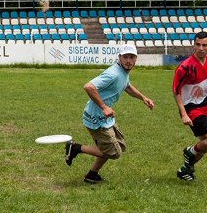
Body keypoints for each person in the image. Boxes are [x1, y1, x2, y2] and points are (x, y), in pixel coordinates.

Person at [64, 44, 155, 183]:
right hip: (96, 117)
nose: (128, 60)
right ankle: (75, 148)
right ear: (119, 57)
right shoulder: (113, 73)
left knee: (118, 145)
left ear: (136, 59)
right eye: (125, 57)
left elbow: (127, 87)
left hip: (105, 118)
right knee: (113, 152)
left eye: (131, 57)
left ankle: (91, 175)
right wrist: (103, 107)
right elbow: (89, 87)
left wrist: (143, 98)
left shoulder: (123, 72)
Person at [172, 31, 207, 181]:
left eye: (204, 45)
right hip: (192, 109)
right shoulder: (185, 67)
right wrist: (183, 114)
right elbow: (176, 91)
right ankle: (188, 152)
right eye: (197, 44)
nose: (200, 48)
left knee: (204, 144)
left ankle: (184, 170)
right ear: (194, 45)